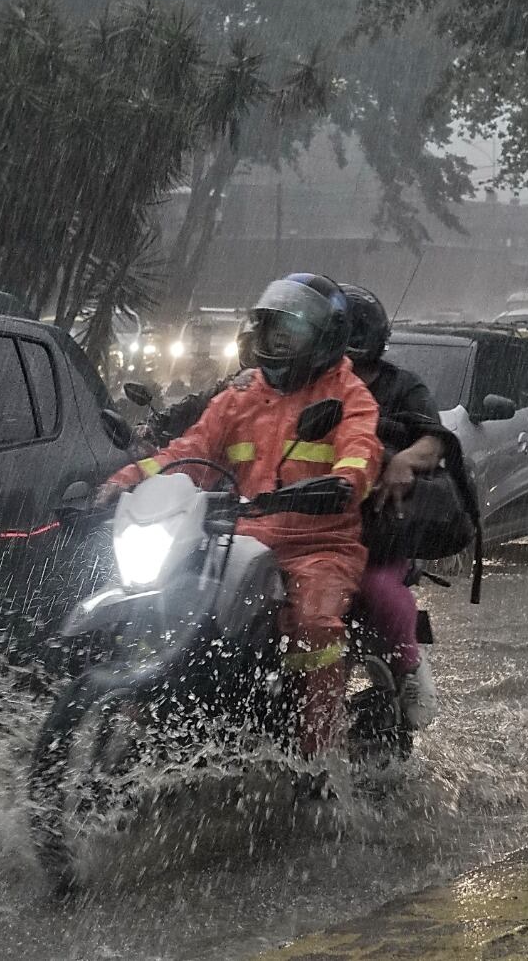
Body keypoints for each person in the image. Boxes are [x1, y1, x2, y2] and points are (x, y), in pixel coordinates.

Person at [96, 274, 382, 759]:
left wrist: (342, 484)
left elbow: (361, 450)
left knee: (316, 623)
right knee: (157, 595)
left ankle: (318, 757)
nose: (281, 343)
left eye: (293, 333)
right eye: (275, 332)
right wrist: (126, 480)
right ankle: (154, 709)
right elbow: (193, 450)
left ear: (325, 338)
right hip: (237, 535)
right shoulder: (241, 394)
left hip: (317, 544)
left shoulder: (349, 395)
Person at [339, 284, 444, 729]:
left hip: (374, 523)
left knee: (378, 588)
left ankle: (407, 670)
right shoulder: (298, 381)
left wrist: (402, 460)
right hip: (294, 520)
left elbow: (436, 441)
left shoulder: (403, 387)